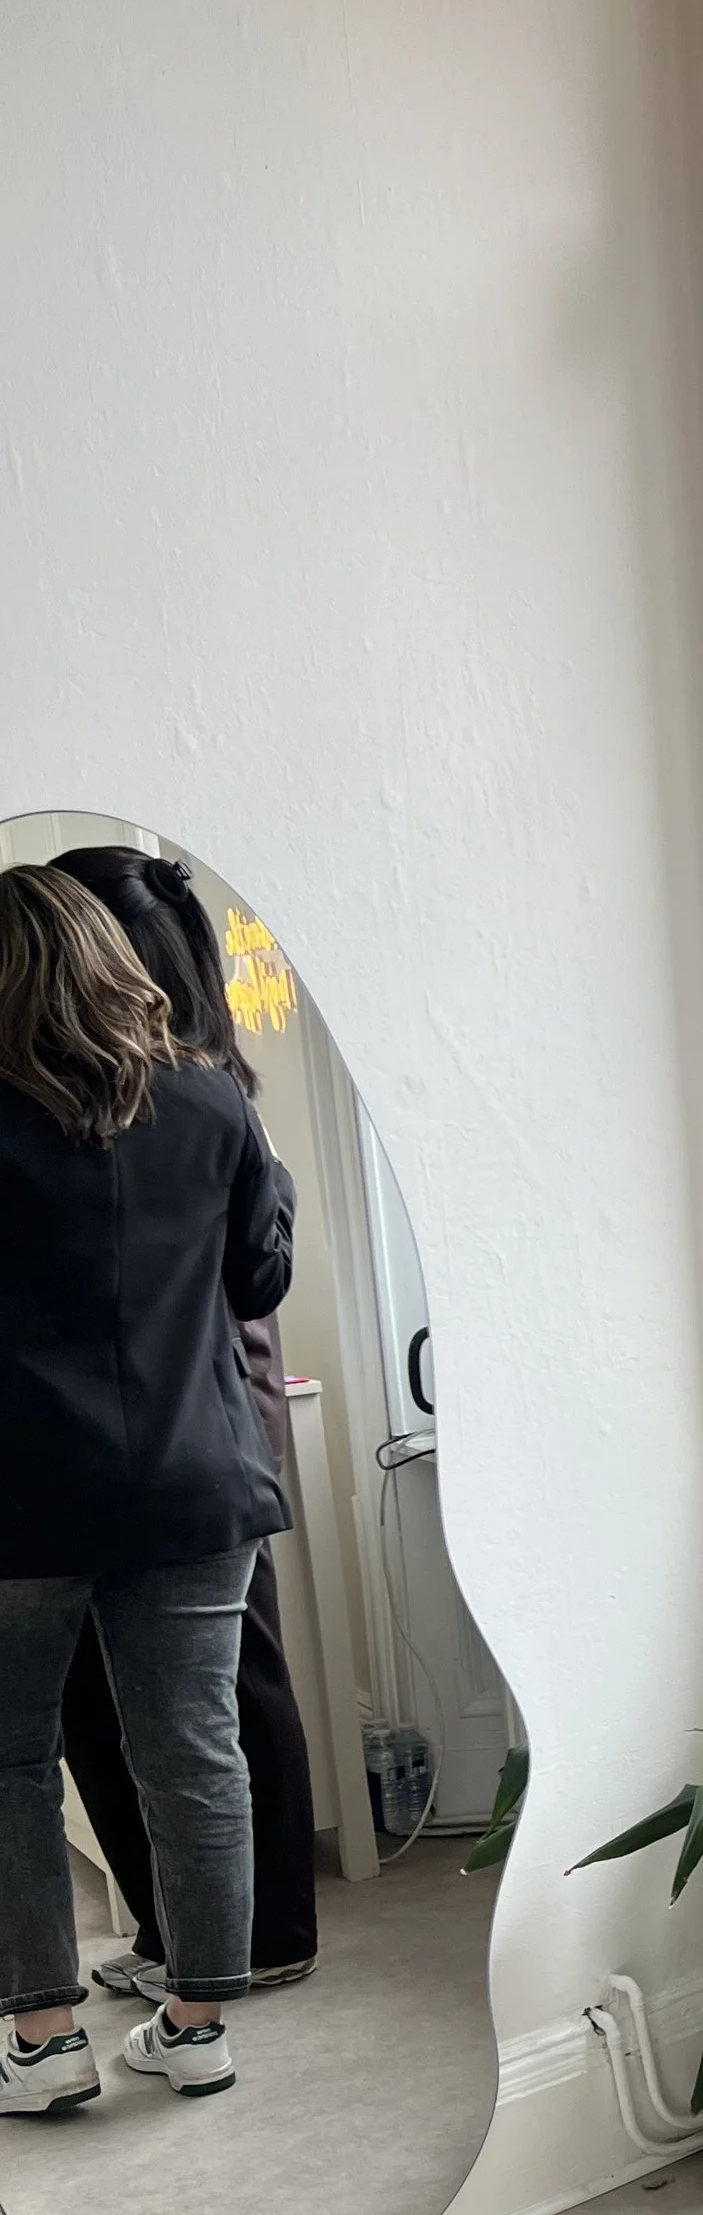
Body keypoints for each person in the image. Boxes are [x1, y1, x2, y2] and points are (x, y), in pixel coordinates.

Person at [0, 865, 295, 2117]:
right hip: (192, 1481)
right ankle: (199, 2024)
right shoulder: (212, 1103)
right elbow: (259, 1279)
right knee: (193, 1751)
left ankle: (44, 2040)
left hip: (21, 1498)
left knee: (11, 1762)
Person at [47, 848, 321, 1993]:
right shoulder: (189, 1091)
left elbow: (254, 1273)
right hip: (165, 1421)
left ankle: (251, 1939)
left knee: (205, 1693)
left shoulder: (191, 1095)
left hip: (198, 1415)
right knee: (147, 1702)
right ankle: (187, 1936)